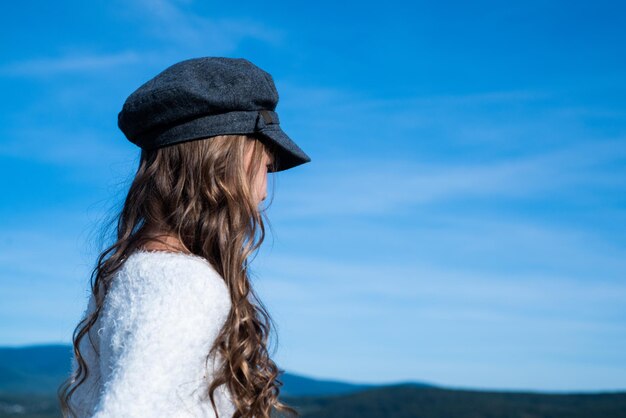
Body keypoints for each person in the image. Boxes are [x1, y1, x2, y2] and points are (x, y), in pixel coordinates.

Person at [57, 57, 312, 418]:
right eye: (265, 168)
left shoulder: (133, 275)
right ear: (222, 166)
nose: (264, 193)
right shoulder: (183, 285)